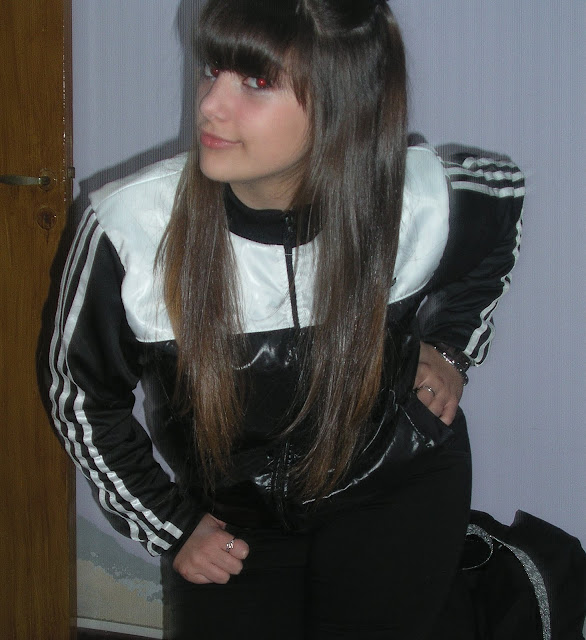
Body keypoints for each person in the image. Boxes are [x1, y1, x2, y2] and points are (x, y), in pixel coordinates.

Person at [45, 0, 524, 637]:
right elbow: (81, 398)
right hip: (236, 522)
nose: (210, 105)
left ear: (342, 102)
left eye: (256, 81)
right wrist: (172, 525)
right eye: (211, 70)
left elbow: (504, 194)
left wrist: (454, 346)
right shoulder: (130, 229)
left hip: (397, 488)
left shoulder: (415, 199)